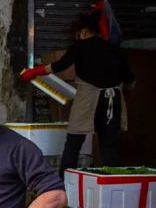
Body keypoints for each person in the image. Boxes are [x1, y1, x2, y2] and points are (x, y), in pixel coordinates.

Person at [20, 11, 134, 174]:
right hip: (112, 100)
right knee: (108, 144)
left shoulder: (80, 47)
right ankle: (111, 181)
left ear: (84, 31)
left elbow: (61, 65)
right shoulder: (113, 49)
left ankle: (64, 182)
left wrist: (36, 71)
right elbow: (129, 76)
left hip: (89, 98)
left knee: (74, 142)